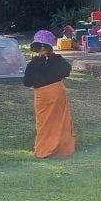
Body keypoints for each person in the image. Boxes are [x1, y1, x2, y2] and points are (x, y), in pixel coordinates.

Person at [23, 30, 76, 158]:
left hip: (42, 96)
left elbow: (27, 82)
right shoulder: (57, 60)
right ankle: (62, 148)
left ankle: (44, 149)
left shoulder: (33, 64)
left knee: (44, 123)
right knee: (60, 121)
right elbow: (66, 71)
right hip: (57, 93)